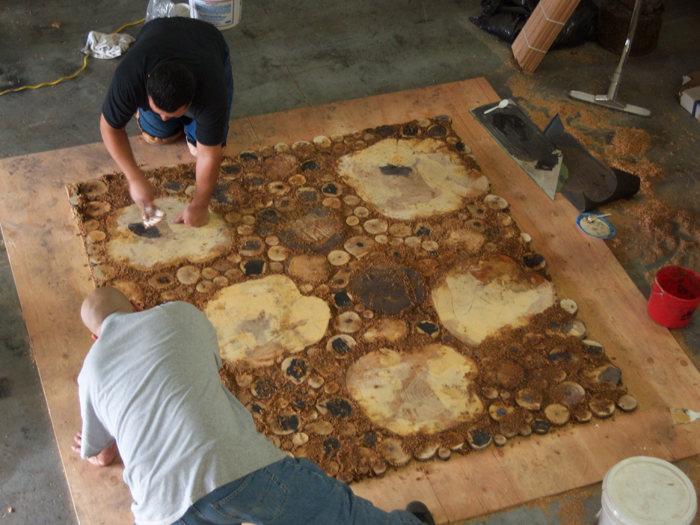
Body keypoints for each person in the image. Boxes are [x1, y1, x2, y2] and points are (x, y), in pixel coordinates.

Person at [72, 287, 436, 525]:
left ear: (94, 338)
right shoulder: (176, 314)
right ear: (137, 305)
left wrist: (99, 450)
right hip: (233, 467)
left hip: (162, 509)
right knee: (338, 516)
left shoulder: (89, 373)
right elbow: (209, 364)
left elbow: (101, 455)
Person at [100, 17, 234, 227]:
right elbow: (109, 127)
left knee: (199, 147)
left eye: (172, 112)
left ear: (191, 101)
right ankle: (163, 117)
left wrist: (200, 204)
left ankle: (189, 125)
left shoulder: (211, 93)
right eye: (158, 109)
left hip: (207, 40)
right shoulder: (130, 78)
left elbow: (209, 153)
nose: (164, 115)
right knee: (158, 131)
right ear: (147, 90)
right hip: (158, 31)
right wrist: (134, 177)